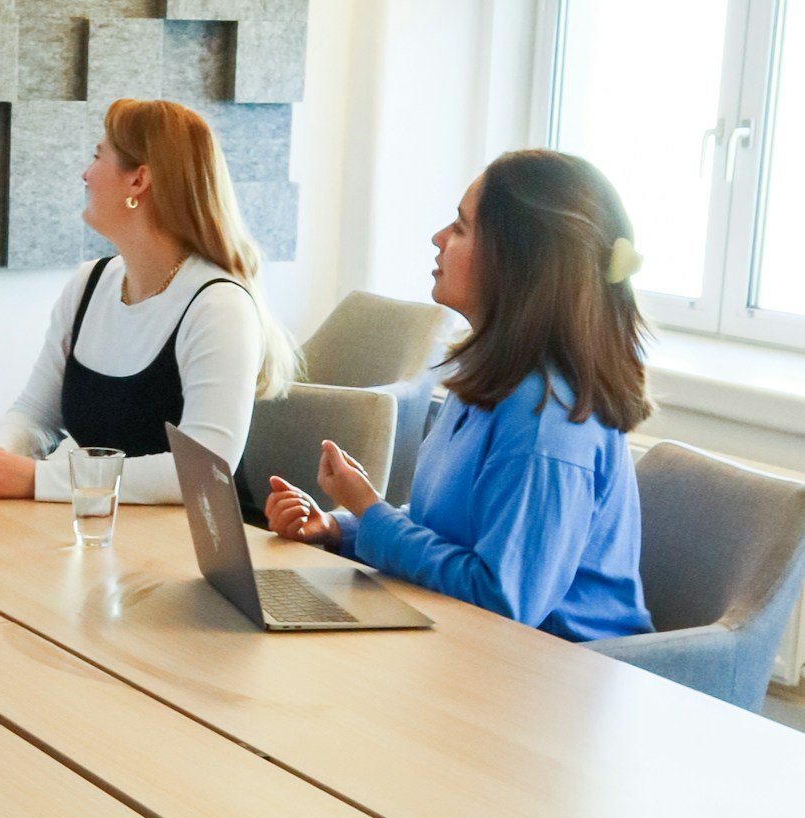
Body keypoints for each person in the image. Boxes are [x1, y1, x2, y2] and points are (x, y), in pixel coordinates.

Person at [265, 150, 653, 641]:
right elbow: (452, 533)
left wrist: (370, 510)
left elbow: (501, 601)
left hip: (555, 678)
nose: (438, 239)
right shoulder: (495, 376)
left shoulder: (547, 420)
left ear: (516, 263)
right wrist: (342, 527)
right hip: (469, 647)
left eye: (461, 227)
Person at [0, 98, 296, 505]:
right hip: (102, 533)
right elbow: (36, 415)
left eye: (97, 156)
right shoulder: (88, 283)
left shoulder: (218, 306)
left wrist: (37, 479)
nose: (85, 174)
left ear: (138, 181)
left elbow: (205, 470)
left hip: (188, 547)